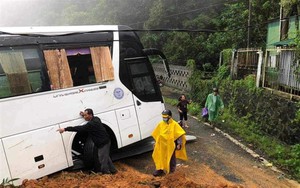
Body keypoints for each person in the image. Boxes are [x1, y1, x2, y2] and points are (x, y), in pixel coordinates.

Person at [57, 108, 117, 174]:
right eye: (84, 115)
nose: (84, 117)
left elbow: (78, 128)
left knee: (102, 160)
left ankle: (106, 174)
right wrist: (83, 114)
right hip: (105, 141)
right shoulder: (96, 118)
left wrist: (65, 129)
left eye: (86, 115)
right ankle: (113, 171)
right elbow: (87, 118)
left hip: (103, 144)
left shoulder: (91, 124)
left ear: (90, 115)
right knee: (106, 158)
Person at [152, 109, 187, 176]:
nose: (164, 118)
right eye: (163, 117)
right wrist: (155, 142)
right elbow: (157, 134)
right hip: (161, 145)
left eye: (165, 117)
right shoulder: (161, 124)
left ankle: (172, 171)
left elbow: (179, 134)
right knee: (160, 156)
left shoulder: (174, 124)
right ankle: (160, 169)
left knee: (171, 158)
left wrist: (179, 144)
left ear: (170, 117)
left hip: (170, 145)